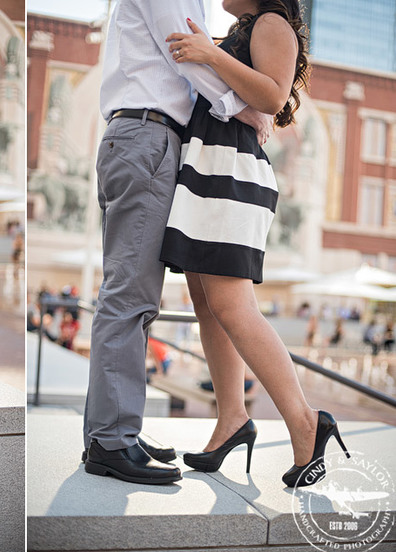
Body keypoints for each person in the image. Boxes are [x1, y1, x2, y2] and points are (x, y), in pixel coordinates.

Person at [159, 0, 349, 487]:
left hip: (233, 172)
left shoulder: (271, 23)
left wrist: (211, 55)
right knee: (206, 303)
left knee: (231, 302)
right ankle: (231, 419)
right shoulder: (244, 28)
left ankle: (306, 422)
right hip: (211, 165)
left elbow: (274, 96)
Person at [82, 0, 272, 485]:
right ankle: (110, 440)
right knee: (130, 294)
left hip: (152, 138)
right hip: (147, 135)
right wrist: (244, 108)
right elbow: (185, 56)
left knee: (138, 295)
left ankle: (117, 427)